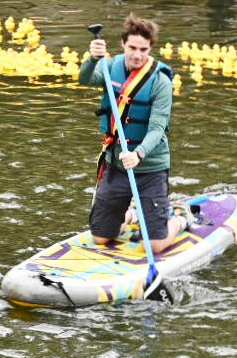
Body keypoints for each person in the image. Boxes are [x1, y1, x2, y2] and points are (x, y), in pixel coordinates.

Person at [79, 14, 187, 253]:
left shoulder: (161, 81)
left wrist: (138, 154)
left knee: (154, 245)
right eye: (132, 48)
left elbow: (157, 128)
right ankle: (130, 216)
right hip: (117, 164)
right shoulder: (110, 67)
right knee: (100, 238)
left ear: (151, 48)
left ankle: (180, 220)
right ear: (123, 44)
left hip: (150, 168)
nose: (137, 55)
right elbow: (85, 79)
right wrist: (92, 59)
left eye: (143, 49)